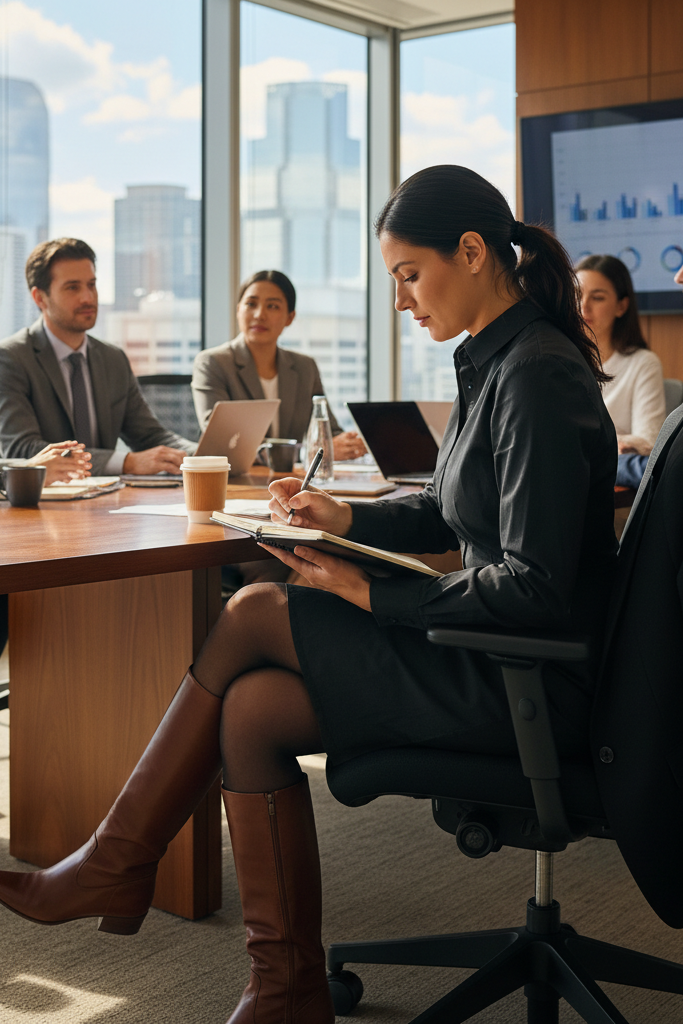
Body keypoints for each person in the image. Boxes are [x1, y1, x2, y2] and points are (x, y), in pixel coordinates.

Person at [0, 166, 619, 1024]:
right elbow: (447, 509)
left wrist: (372, 597)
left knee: (252, 609)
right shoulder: (498, 359)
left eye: (408, 274)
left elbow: (536, 588)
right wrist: (346, 517)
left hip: (531, 683)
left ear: (471, 253)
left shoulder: (536, 375)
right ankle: (283, 987)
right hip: (489, 652)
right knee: (251, 710)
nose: (401, 300)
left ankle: (116, 860)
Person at [0, 238, 197, 476]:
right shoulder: (11, 359)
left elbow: (150, 436)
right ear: (40, 298)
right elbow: (23, 450)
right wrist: (127, 463)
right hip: (45, 505)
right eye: (72, 287)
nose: (88, 298)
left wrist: (202, 456)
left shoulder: (113, 358)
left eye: (91, 285)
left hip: (106, 501)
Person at [192, 270, 366, 461]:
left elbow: (327, 431)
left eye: (272, 306)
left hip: (293, 482)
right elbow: (225, 443)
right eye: (251, 304)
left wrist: (349, 443)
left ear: (290, 317)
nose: (259, 315)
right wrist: (307, 452)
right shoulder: (213, 363)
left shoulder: (304, 367)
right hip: (237, 483)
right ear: (238, 310)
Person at [576, 254, 666, 455]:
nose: (583, 307)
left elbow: (648, 443)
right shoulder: (556, 360)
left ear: (621, 306)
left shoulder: (643, 363)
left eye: (597, 297)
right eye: (576, 294)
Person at [613, 257, 683, 489]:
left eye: (598, 297)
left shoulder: (643, 362)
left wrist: (596, 456)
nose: (678, 277)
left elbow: (662, 465)